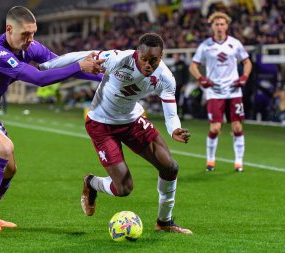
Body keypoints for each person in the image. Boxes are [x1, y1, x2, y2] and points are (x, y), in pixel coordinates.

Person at [0, 6, 104, 234]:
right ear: (9, 29)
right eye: (25, 34)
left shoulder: (28, 46)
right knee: (4, 147)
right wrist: (79, 66)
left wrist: (100, 76)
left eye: (33, 33)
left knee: (10, 169)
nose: (30, 40)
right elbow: (39, 79)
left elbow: (57, 63)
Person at [40, 33, 192, 234]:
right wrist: (45, 66)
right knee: (123, 188)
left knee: (170, 167)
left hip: (132, 121)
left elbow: (171, 112)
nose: (148, 64)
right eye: (144, 59)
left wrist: (174, 130)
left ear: (161, 56)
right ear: (137, 53)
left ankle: (164, 222)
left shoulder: (165, 77)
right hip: (101, 124)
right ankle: (91, 182)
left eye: (153, 60)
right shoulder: (119, 59)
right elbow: (81, 56)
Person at [189, 12, 252, 172]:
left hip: (233, 91)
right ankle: (210, 160)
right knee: (215, 128)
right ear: (212, 26)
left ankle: (239, 161)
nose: (220, 27)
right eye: (216, 24)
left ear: (227, 26)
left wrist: (244, 76)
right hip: (215, 92)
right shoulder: (205, 46)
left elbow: (247, 62)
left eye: (222, 24)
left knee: (237, 127)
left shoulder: (235, 43)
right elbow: (193, 66)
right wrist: (201, 78)